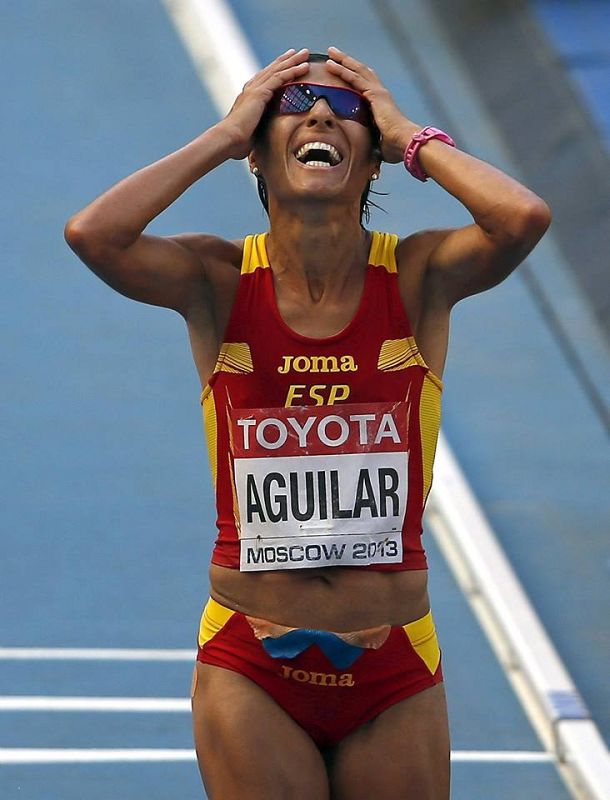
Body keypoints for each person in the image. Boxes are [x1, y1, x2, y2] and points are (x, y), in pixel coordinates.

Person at [65, 46, 551, 800]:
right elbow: (93, 235)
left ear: (374, 161)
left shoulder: (417, 277)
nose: (321, 114)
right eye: (291, 106)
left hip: (394, 666)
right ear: (259, 154)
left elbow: (522, 218)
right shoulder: (219, 281)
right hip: (250, 659)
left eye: (348, 109)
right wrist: (225, 134)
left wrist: (409, 134)